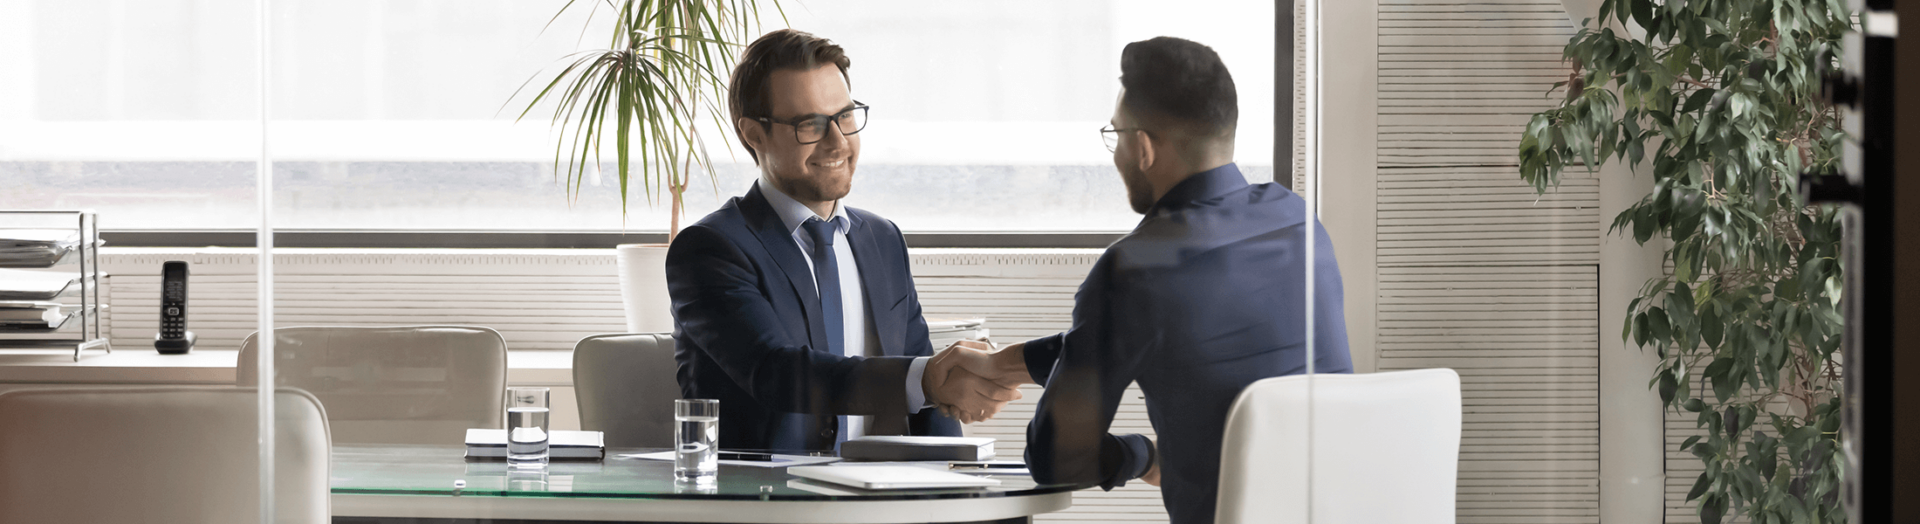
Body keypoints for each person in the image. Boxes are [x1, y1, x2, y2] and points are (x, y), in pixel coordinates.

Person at [934, 36, 1354, 523]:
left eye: (1116, 136)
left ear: (1144, 147)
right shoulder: (1297, 221)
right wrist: (1006, 364)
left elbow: (1057, 460)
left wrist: (1147, 455)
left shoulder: (1136, 267)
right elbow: (1172, 334)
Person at [666, 29, 1020, 453]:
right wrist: (929, 378)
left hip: (882, 500)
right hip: (770, 505)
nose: (838, 142)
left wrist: (956, 478)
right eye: (810, 124)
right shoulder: (710, 249)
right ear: (753, 134)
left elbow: (925, 398)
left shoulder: (882, 240)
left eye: (845, 116)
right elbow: (779, 373)